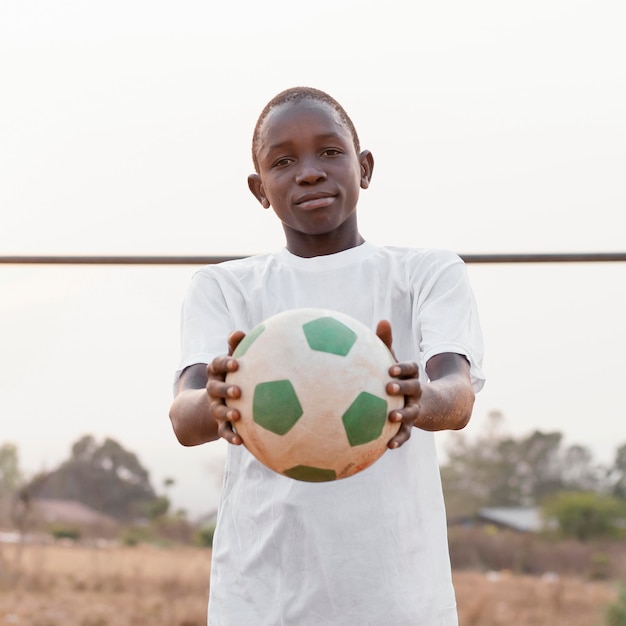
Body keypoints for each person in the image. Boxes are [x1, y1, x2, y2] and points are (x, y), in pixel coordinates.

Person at [169, 86, 485, 626]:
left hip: (398, 599)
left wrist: (416, 399)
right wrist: (217, 402)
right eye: (283, 161)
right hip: (259, 599)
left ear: (363, 167)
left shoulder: (425, 273)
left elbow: (455, 395)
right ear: (259, 189)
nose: (309, 172)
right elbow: (184, 415)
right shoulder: (225, 287)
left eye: (329, 152)